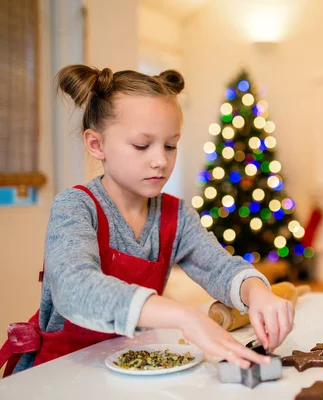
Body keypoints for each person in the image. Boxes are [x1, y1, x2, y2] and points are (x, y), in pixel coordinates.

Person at [0, 65, 294, 377]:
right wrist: (183, 315)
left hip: (130, 364)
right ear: (96, 145)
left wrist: (255, 291)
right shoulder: (75, 207)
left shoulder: (176, 215)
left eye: (170, 145)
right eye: (142, 145)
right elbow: (75, 289)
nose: (161, 160)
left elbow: (218, 266)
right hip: (60, 372)